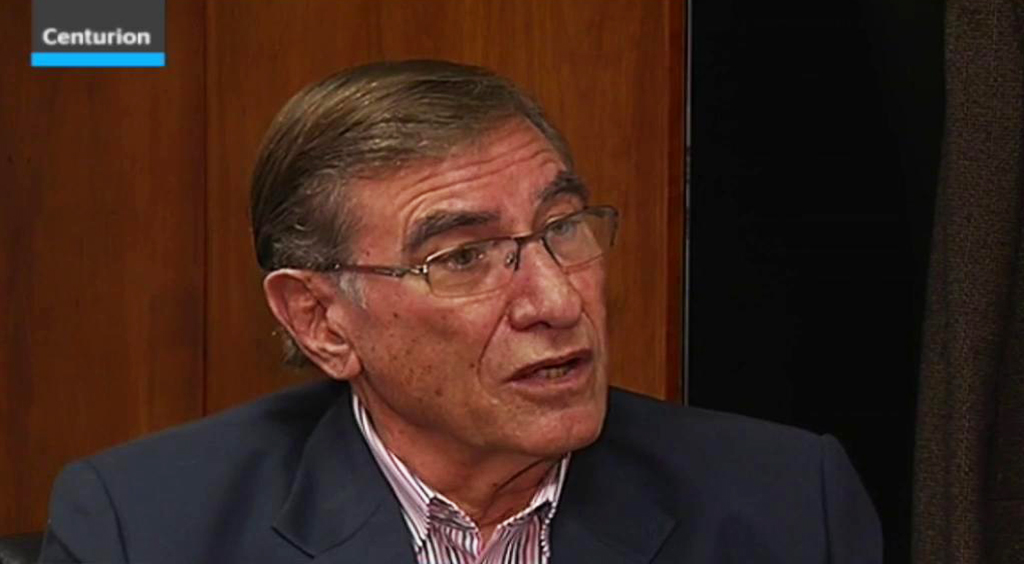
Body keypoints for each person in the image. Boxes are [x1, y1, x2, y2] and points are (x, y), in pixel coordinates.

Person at [38, 60, 882, 564]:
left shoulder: (785, 507)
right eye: (463, 257)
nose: (557, 300)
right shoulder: (143, 531)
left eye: (562, 228)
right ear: (321, 320)